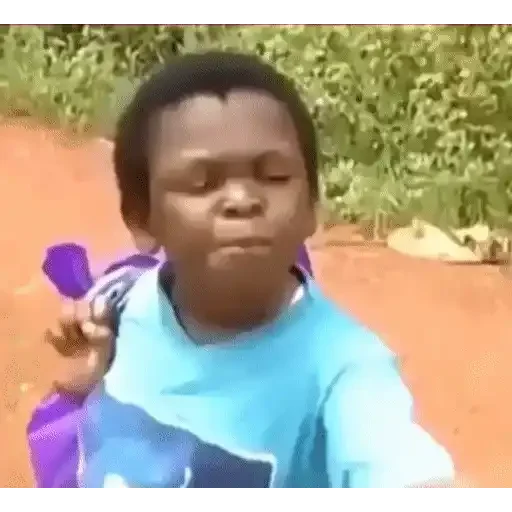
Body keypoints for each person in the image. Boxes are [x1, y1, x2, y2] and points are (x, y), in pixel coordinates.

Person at [38, 51, 455, 488]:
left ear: (311, 208)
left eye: (273, 176)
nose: (242, 200)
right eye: (201, 183)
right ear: (141, 218)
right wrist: (88, 377)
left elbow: (396, 459)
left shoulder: (344, 370)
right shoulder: (120, 304)